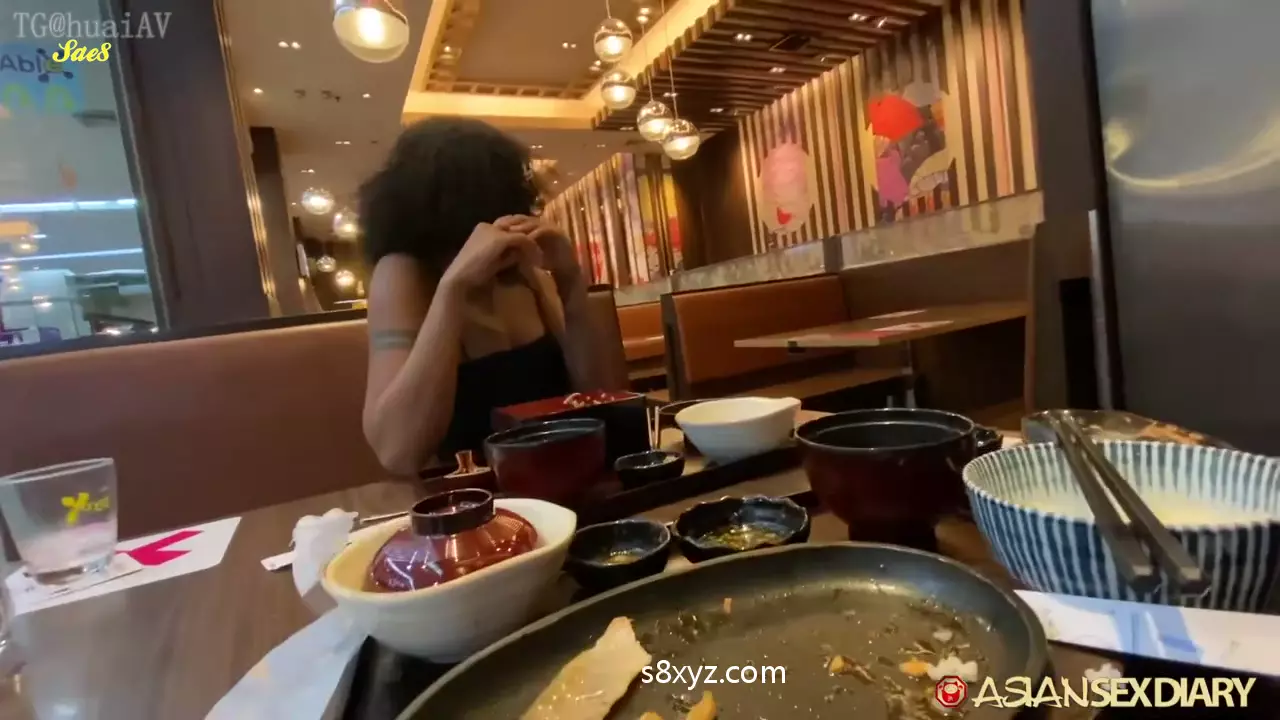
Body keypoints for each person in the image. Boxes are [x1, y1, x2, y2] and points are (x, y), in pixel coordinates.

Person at [359, 117, 627, 475]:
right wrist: (453, 290)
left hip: (565, 470)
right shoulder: (402, 273)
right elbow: (397, 451)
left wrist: (570, 279)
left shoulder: (523, 271)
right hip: (476, 493)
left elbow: (598, 398)